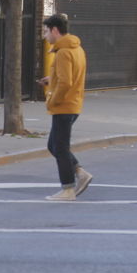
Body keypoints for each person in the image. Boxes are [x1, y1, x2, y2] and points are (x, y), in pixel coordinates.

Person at [38, 13, 92, 201]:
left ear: (55, 30)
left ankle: (68, 189)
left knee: (59, 147)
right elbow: (68, 76)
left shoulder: (62, 52)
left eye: (46, 32)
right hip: (73, 103)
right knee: (54, 144)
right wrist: (51, 80)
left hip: (64, 105)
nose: (45, 36)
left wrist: (53, 100)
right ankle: (80, 173)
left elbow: (66, 82)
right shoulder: (77, 49)